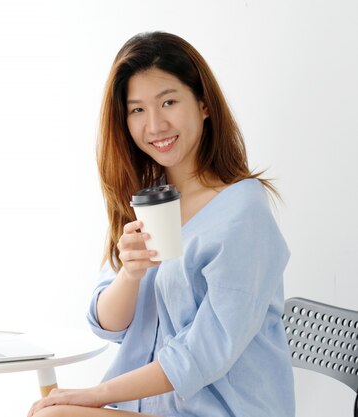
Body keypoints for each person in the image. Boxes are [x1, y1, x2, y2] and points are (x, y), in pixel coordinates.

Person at [27, 31, 294, 417]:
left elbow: (200, 355)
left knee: (52, 414)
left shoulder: (242, 214)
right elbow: (107, 324)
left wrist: (94, 394)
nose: (154, 125)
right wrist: (130, 275)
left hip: (223, 411)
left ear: (203, 104)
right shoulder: (151, 198)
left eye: (168, 101)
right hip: (149, 408)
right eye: (137, 110)